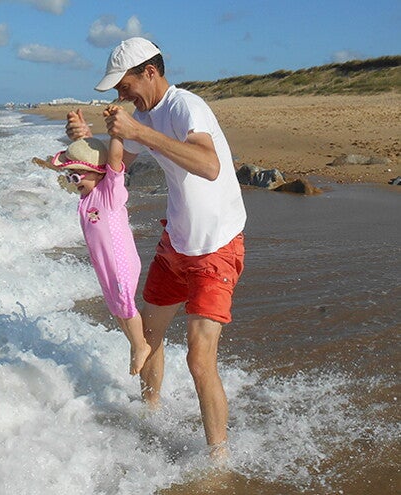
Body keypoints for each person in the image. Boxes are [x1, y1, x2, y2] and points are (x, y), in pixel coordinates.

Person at [66, 37, 246, 457]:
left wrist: (139, 131)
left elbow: (209, 165)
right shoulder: (139, 115)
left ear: (149, 71)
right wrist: (82, 138)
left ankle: (217, 460)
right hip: (176, 241)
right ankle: (151, 412)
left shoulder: (186, 106)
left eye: (123, 84)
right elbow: (113, 166)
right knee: (148, 334)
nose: (119, 94)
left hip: (217, 246)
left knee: (200, 362)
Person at [41, 131, 152, 375]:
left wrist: (117, 134)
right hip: (105, 264)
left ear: (98, 172)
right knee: (115, 309)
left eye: (77, 175)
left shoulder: (109, 192)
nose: (73, 181)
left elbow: (114, 160)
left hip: (120, 261)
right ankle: (135, 344)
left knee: (125, 304)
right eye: (69, 177)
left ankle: (141, 345)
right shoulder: (87, 196)